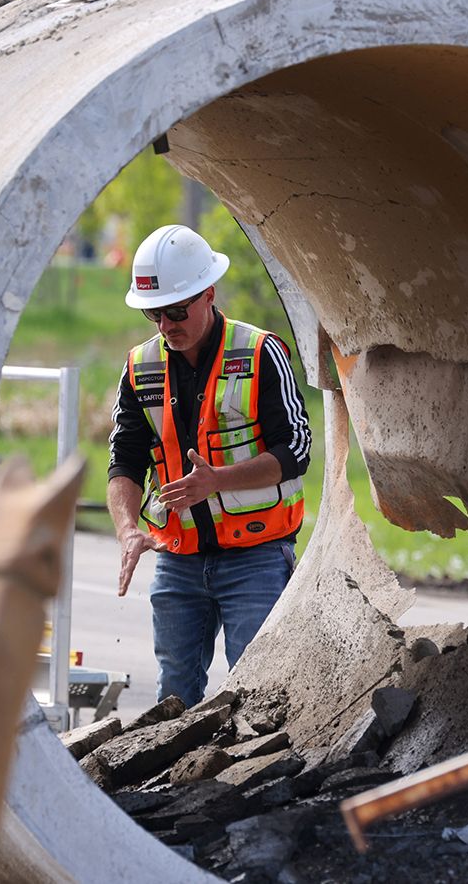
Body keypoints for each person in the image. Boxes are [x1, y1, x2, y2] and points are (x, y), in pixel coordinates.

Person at [107, 224, 312, 707]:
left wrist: (217, 481)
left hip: (257, 556)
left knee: (258, 692)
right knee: (174, 695)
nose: (165, 325)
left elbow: (296, 450)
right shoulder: (140, 367)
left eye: (177, 311)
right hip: (177, 557)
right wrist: (127, 529)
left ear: (208, 294)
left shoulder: (259, 353)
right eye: (154, 313)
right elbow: (124, 460)